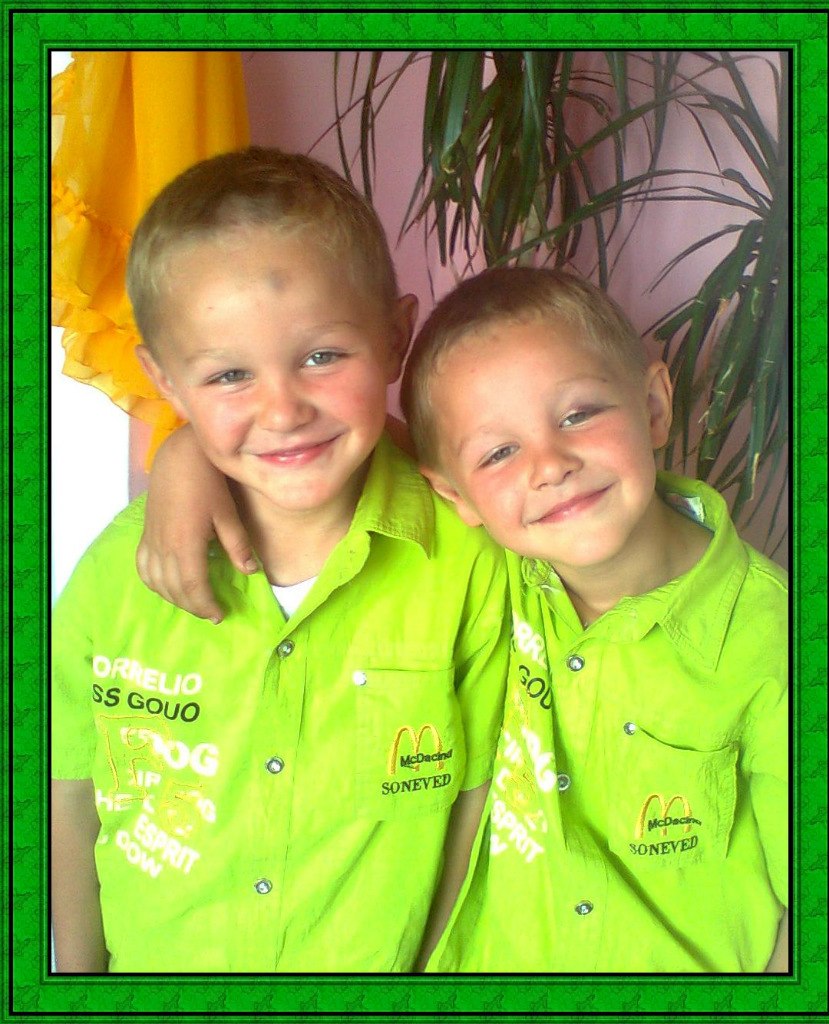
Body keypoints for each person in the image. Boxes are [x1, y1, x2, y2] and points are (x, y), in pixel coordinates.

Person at [50, 147, 509, 973]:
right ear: (165, 381)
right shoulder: (112, 576)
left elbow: (474, 814)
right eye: (229, 374)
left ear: (395, 339)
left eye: (322, 356)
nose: (283, 410)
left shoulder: (469, 561)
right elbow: (70, 793)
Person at [399, 266, 789, 973]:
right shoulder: (480, 582)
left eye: (578, 414)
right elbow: (318, 449)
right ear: (456, 497)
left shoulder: (778, 639)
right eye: (499, 452)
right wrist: (190, 454)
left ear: (654, 408)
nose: (549, 465)